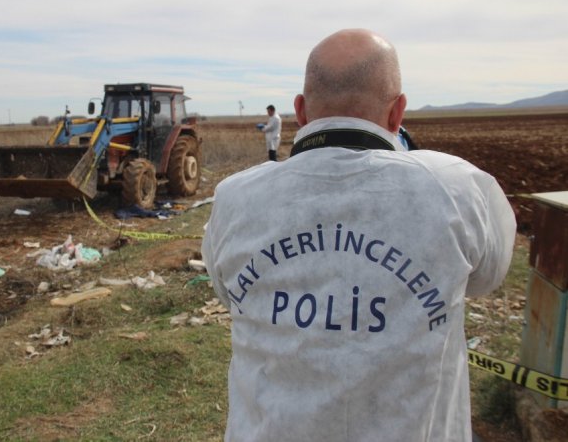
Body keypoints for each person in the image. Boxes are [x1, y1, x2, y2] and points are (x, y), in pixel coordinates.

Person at [202, 28, 516, 442]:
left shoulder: (235, 197)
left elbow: (230, 294)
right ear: (397, 112)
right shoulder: (456, 188)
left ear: (300, 111)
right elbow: (488, 276)